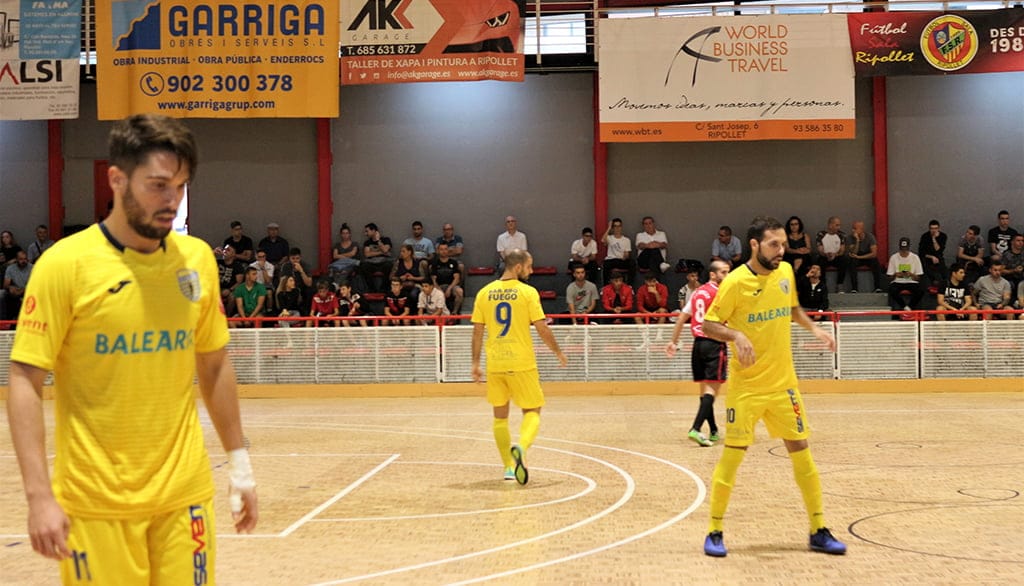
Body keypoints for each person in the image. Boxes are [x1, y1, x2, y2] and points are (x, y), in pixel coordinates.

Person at [6, 114, 257, 584]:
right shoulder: (65, 266)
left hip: (185, 497)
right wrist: (39, 495)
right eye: (158, 186)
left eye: (181, 187)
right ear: (117, 179)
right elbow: (24, 379)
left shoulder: (197, 260)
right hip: (96, 506)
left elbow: (215, 364)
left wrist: (239, 462)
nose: (172, 202)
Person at [699, 215, 845, 558]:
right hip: (746, 389)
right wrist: (736, 334)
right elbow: (708, 325)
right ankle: (715, 530)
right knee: (732, 461)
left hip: (784, 387)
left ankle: (818, 529)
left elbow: (792, 308)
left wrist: (815, 330)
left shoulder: (785, 273)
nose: (781, 250)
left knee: (803, 455)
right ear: (754, 245)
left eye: (783, 243)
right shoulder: (734, 283)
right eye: (774, 244)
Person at [471, 249, 568, 485]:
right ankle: (521, 449)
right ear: (517, 268)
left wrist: (475, 363)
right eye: (529, 266)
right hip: (522, 362)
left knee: (500, 417)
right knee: (533, 411)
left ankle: (507, 467)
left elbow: (477, 331)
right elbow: (542, 327)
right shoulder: (527, 293)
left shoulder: (484, 293)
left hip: (495, 363)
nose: (532, 271)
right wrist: (557, 350)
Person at [665, 259, 730, 447]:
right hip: (714, 344)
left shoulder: (696, 293)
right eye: (724, 272)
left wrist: (673, 341)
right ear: (712, 274)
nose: (727, 276)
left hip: (698, 345)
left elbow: (682, 318)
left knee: (704, 391)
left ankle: (714, 430)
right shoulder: (721, 294)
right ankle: (696, 428)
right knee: (712, 390)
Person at [886, 237, 924, 313]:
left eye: (905, 249)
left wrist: (911, 275)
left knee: (920, 291)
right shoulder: (894, 257)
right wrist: (895, 275)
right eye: (902, 249)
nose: (904, 251)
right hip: (897, 282)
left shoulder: (915, 258)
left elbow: (919, 277)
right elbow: (889, 277)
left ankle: (909, 307)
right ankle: (905, 307)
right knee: (892, 290)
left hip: (912, 282)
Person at [845, 220, 883, 293]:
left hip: (866, 256)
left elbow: (874, 253)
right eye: (853, 228)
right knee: (851, 262)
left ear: (861, 229)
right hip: (856, 256)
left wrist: (859, 257)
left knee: (875, 262)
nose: (853, 230)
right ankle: (854, 288)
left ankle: (878, 287)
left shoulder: (870, 237)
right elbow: (854, 252)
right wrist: (857, 240)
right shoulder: (849, 237)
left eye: (855, 228)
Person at [815, 216, 847, 293]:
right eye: (837, 225)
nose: (838, 227)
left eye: (839, 225)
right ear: (830, 225)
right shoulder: (821, 234)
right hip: (825, 256)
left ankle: (840, 285)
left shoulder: (842, 235)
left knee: (844, 260)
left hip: (837, 256)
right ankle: (823, 286)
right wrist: (827, 255)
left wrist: (835, 255)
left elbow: (842, 250)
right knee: (819, 262)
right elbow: (820, 249)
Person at [430, 242, 464, 315]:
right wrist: (439, 291)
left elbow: (457, 278)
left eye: (445, 249)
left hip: (451, 285)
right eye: (441, 249)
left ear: (448, 250)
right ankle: (438, 313)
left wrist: (449, 289)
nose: (444, 251)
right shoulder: (435, 263)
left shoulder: (453, 262)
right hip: (439, 286)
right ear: (438, 251)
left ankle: (455, 312)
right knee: (434, 293)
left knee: (459, 291)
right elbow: (433, 280)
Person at [360, 222, 393, 293]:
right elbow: (367, 254)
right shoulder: (367, 242)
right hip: (371, 263)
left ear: (373, 231)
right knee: (363, 266)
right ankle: (372, 289)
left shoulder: (386, 240)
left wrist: (378, 241)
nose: (365, 233)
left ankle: (383, 288)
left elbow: (385, 249)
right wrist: (382, 253)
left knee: (389, 265)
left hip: (383, 262)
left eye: (367, 231)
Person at [601, 218, 633, 286]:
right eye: (615, 226)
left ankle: (630, 286)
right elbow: (603, 240)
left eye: (619, 226)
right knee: (606, 263)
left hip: (621, 260)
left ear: (621, 227)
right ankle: (605, 286)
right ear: (613, 228)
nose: (617, 228)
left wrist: (626, 256)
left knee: (632, 263)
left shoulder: (626, 240)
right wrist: (609, 228)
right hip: (611, 260)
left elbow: (627, 253)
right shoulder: (610, 237)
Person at [3, 250, 33, 321]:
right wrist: (10, 287)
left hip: (29, 290)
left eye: (25, 259)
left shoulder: (32, 267)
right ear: (16, 259)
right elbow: (5, 285)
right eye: (21, 259)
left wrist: (23, 290)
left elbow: (36, 284)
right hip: (16, 290)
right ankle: (7, 321)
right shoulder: (10, 268)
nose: (23, 261)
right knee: (3, 294)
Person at [918, 220, 948, 287]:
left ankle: (942, 284)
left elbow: (938, 250)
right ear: (929, 228)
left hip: (939, 258)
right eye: (932, 228)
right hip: (927, 259)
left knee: (944, 274)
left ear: (938, 228)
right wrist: (931, 257)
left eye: (935, 228)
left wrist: (934, 238)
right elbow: (921, 252)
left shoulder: (943, 236)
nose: (934, 231)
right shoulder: (925, 236)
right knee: (930, 273)